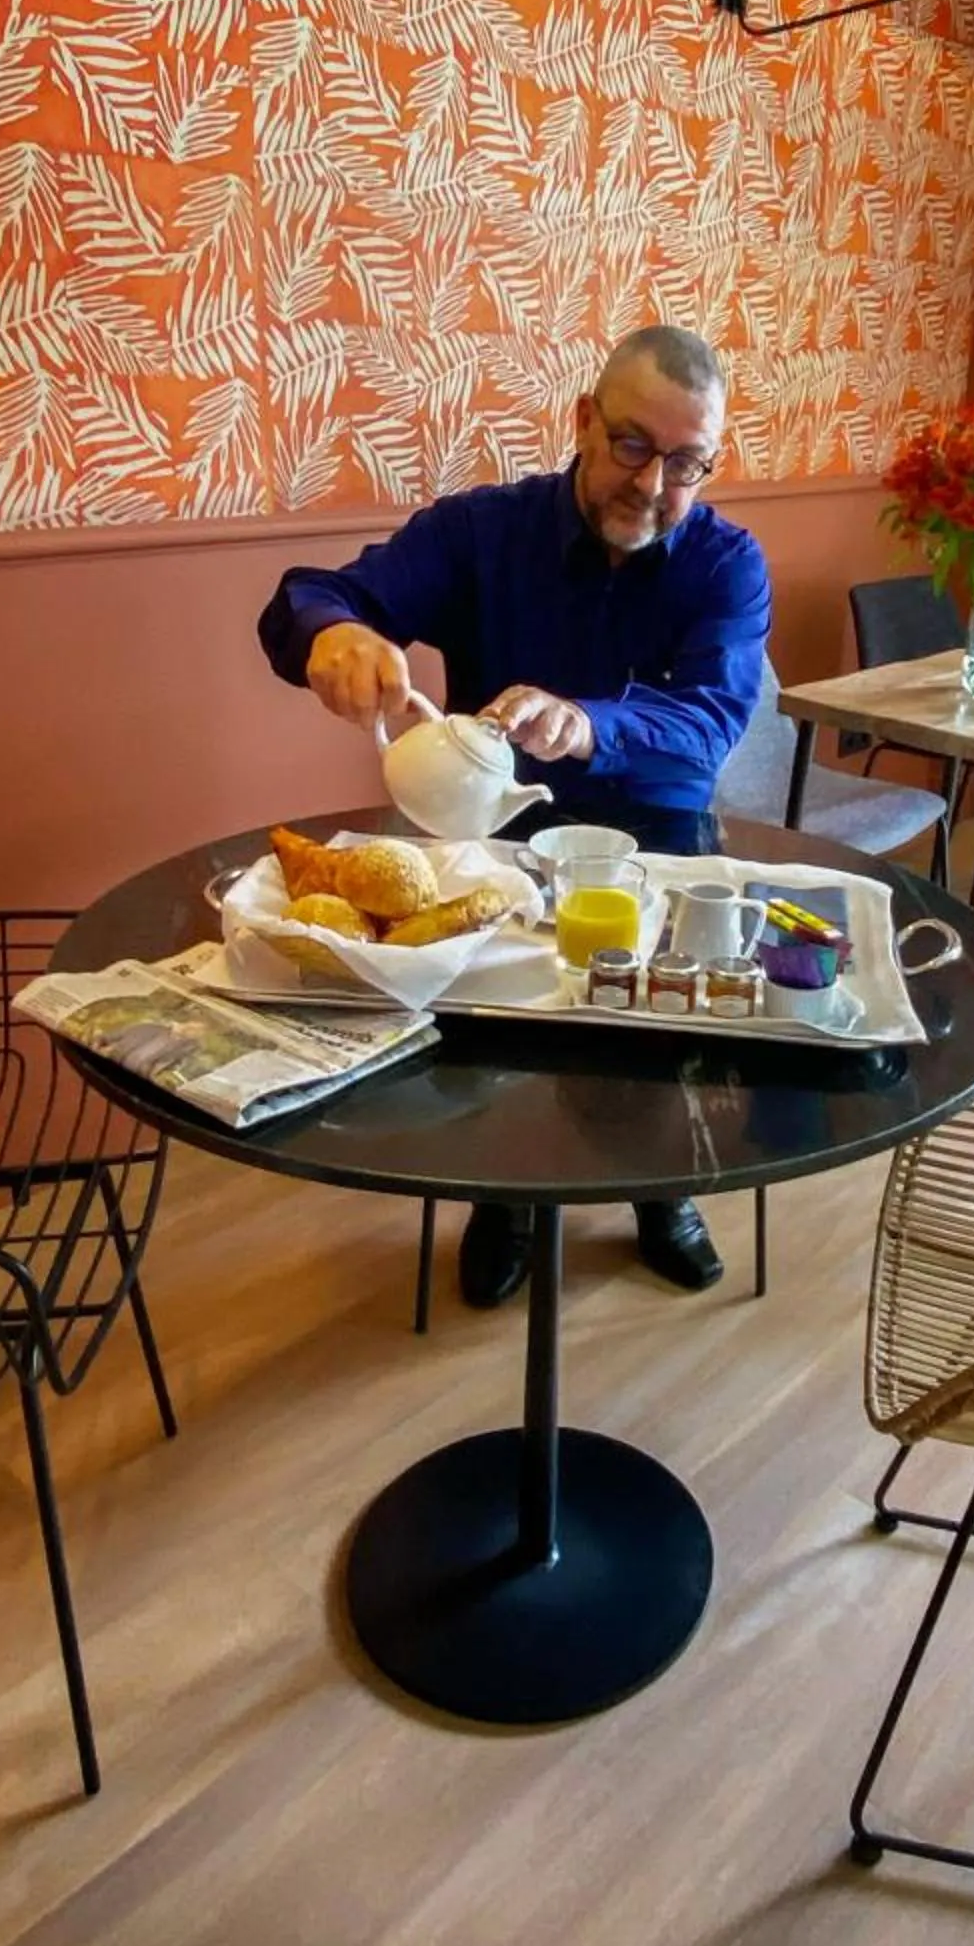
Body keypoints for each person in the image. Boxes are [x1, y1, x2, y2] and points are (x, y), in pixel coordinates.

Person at [256, 325, 771, 1307]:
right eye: (630, 445)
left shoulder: (724, 564)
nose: (653, 485)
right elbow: (311, 595)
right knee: (498, 1043)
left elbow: (711, 721)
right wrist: (336, 635)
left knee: (654, 1039)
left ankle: (663, 1193)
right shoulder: (481, 533)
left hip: (656, 838)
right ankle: (505, 1199)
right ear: (582, 422)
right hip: (502, 840)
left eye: (686, 464)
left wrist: (589, 723)